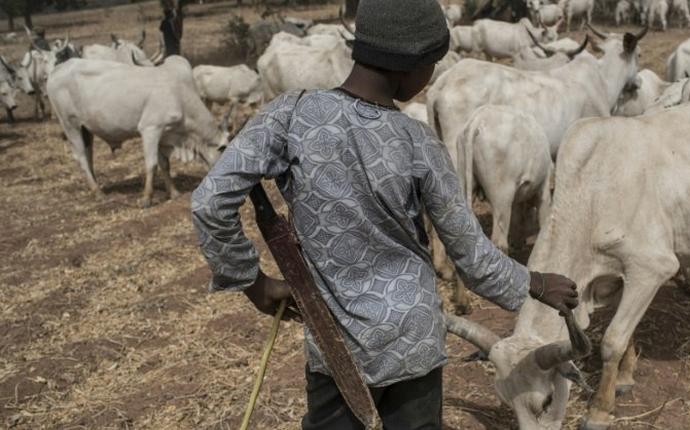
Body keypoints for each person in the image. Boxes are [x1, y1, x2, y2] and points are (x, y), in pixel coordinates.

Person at [191, 1, 579, 428]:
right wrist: (536, 282)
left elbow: (210, 202)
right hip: (414, 339)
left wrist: (254, 283)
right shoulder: (419, 142)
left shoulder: (290, 115)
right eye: (431, 64)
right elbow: (473, 259)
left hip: (339, 343)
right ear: (412, 66)